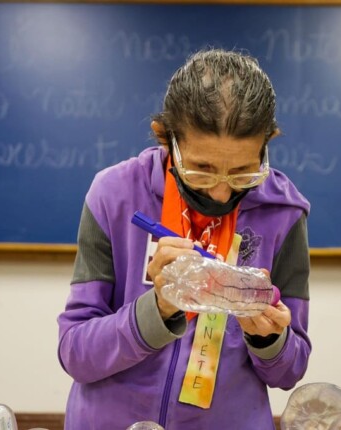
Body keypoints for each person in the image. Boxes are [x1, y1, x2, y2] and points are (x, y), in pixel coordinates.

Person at [57, 48, 311, 429]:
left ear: (267, 144)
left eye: (243, 172)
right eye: (202, 171)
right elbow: (75, 352)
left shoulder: (284, 212)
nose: (222, 194)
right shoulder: (114, 195)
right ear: (165, 139)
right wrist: (157, 309)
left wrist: (270, 341)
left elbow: (290, 370)